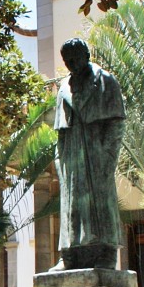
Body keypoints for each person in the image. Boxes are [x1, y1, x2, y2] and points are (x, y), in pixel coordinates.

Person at [49, 38, 126, 271]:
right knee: (70, 206)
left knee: (101, 204)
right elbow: (60, 129)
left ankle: (106, 254)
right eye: (67, 61)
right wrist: (60, 160)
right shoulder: (63, 87)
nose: (71, 64)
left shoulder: (105, 80)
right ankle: (69, 256)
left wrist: (107, 157)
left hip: (96, 151)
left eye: (75, 59)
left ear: (86, 56)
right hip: (71, 153)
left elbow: (116, 122)